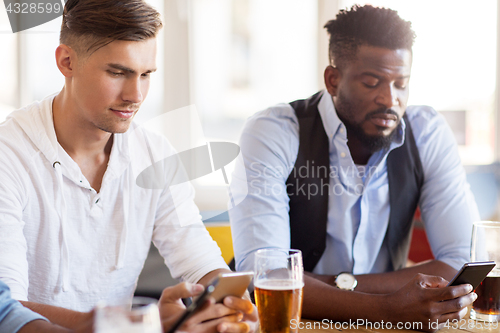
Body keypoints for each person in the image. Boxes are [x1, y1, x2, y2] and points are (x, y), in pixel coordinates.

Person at [0, 0, 257, 332]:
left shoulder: (154, 154)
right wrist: (133, 323)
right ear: (67, 62)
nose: (135, 95)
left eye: (146, 75)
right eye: (117, 73)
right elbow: (6, 310)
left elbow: (202, 263)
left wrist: (227, 304)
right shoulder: (8, 155)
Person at [229, 4, 479, 331]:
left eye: (401, 84)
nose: (389, 100)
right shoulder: (275, 131)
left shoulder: (426, 131)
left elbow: (462, 262)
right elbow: (267, 276)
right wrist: (388, 309)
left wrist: (331, 286)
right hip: (287, 323)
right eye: (372, 82)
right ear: (333, 80)